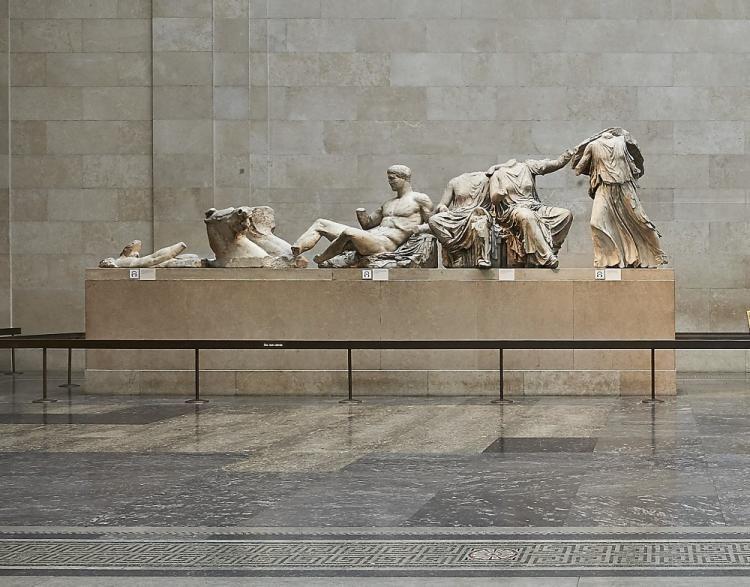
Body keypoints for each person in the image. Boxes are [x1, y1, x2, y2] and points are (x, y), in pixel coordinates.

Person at [292, 165, 433, 265]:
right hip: (370, 237)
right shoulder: (388, 203)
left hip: (385, 244)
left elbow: (432, 224)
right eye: (388, 179)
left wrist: (419, 229)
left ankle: (323, 258)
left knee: (349, 232)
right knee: (321, 223)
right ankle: (295, 251)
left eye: (392, 178)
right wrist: (361, 213)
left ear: (404, 178)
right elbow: (367, 224)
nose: (389, 182)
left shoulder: (420, 199)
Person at [572, 129, 667, 268]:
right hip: (604, 187)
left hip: (625, 187)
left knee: (641, 220)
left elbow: (632, 164)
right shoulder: (593, 145)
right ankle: (609, 259)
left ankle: (658, 253)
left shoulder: (622, 142)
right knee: (596, 222)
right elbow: (578, 168)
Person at [485, 151, 574, 268]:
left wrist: (569, 154)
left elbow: (557, 163)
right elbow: (494, 199)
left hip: (535, 207)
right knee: (526, 216)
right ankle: (546, 257)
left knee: (565, 214)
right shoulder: (497, 174)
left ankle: (550, 248)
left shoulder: (528, 167)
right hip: (513, 210)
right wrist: (499, 194)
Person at [428, 172, 494, 268]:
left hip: (477, 214)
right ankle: (455, 250)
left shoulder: (488, 179)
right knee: (433, 220)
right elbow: (442, 204)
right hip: (456, 215)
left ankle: (481, 258)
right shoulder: (454, 182)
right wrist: (442, 208)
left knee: (479, 222)